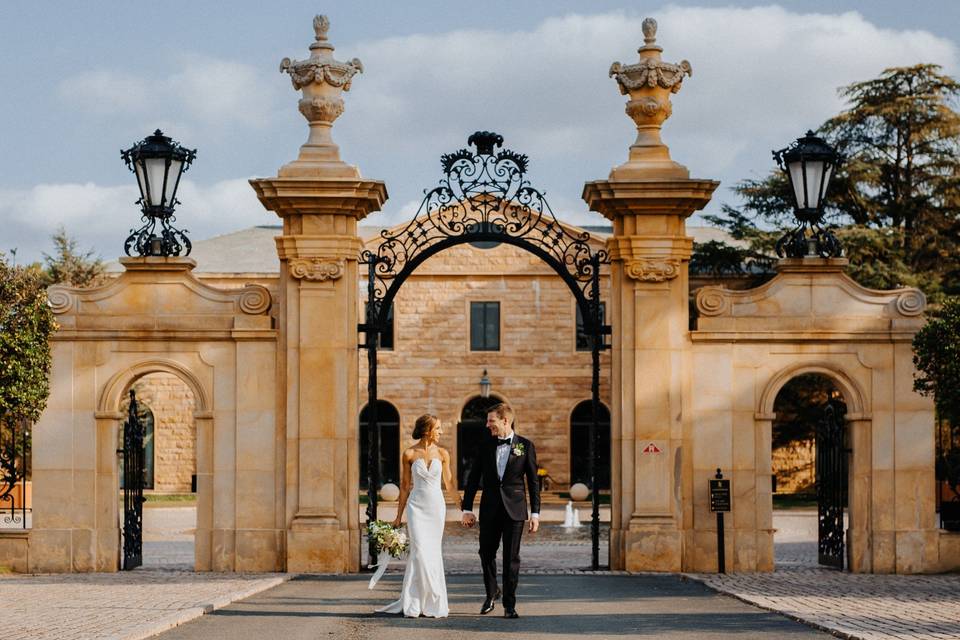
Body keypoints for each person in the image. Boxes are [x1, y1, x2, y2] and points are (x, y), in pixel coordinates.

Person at [461, 402, 540, 618]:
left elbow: (533, 482)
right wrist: (466, 509)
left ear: (505, 420)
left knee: (511, 557)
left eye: (491, 421)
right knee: (486, 553)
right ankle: (490, 593)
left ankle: (509, 605)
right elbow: (472, 479)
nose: (487, 425)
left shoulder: (525, 445)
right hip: (489, 509)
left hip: (515, 510)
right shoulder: (485, 446)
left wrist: (535, 514)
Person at [376, 414, 456, 618]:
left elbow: (450, 485)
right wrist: (398, 516)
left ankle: (432, 602)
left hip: (436, 508)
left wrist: (464, 509)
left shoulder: (443, 453)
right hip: (416, 508)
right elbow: (404, 486)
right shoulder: (409, 454)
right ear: (427, 430)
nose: (440, 432)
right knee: (419, 550)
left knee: (432, 552)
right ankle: (414, 602)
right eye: (437, 428)